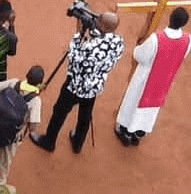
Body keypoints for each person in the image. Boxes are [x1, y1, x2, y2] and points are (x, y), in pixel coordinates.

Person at [29, 11, 124, 154]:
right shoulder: (119, 42)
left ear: (102, 26)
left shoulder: (90, 47)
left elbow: (73, 56)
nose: (95, 20)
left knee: (59, 112)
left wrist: (79, 32)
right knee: (85, 116)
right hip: (94, 87)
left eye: (98, 20)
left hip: (75, 86)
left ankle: (49, 141)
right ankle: (78, 143)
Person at [114, 7, 191, 146]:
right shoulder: (188, 40)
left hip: (146, 77)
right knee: (150, 108)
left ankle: (125, 131)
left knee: (134, 102)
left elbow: (140, 56)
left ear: (170, 17)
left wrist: (139, 45)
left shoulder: (156, 39)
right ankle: (138, 133)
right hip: (165, 80)